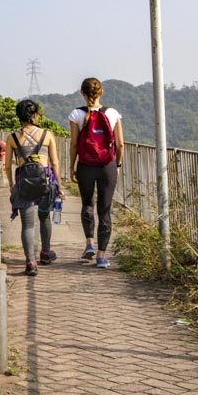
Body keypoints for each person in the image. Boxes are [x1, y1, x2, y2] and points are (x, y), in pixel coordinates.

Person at [4, 99, 64, 276]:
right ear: (35, 116)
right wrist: (60, 185)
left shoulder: (12, 138)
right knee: (44, 217)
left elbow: (7, 166)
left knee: (27, 225)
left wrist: (11, 185)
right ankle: (45, 253)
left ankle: (30, 262)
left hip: (25, 183)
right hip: (45, 182)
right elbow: (54, 162)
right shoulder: (47, 135)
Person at [69, 77, 124, 269]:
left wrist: (71, 166)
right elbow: (120, 144)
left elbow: (75, 144)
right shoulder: (113, 113)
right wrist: (117, 164)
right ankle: (101, 256)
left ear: (83, 93)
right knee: (105, 210)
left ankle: (89, 244)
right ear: (101, 92)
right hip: (107, 166)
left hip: (85, 165)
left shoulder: (76, 114)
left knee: (87, 204)